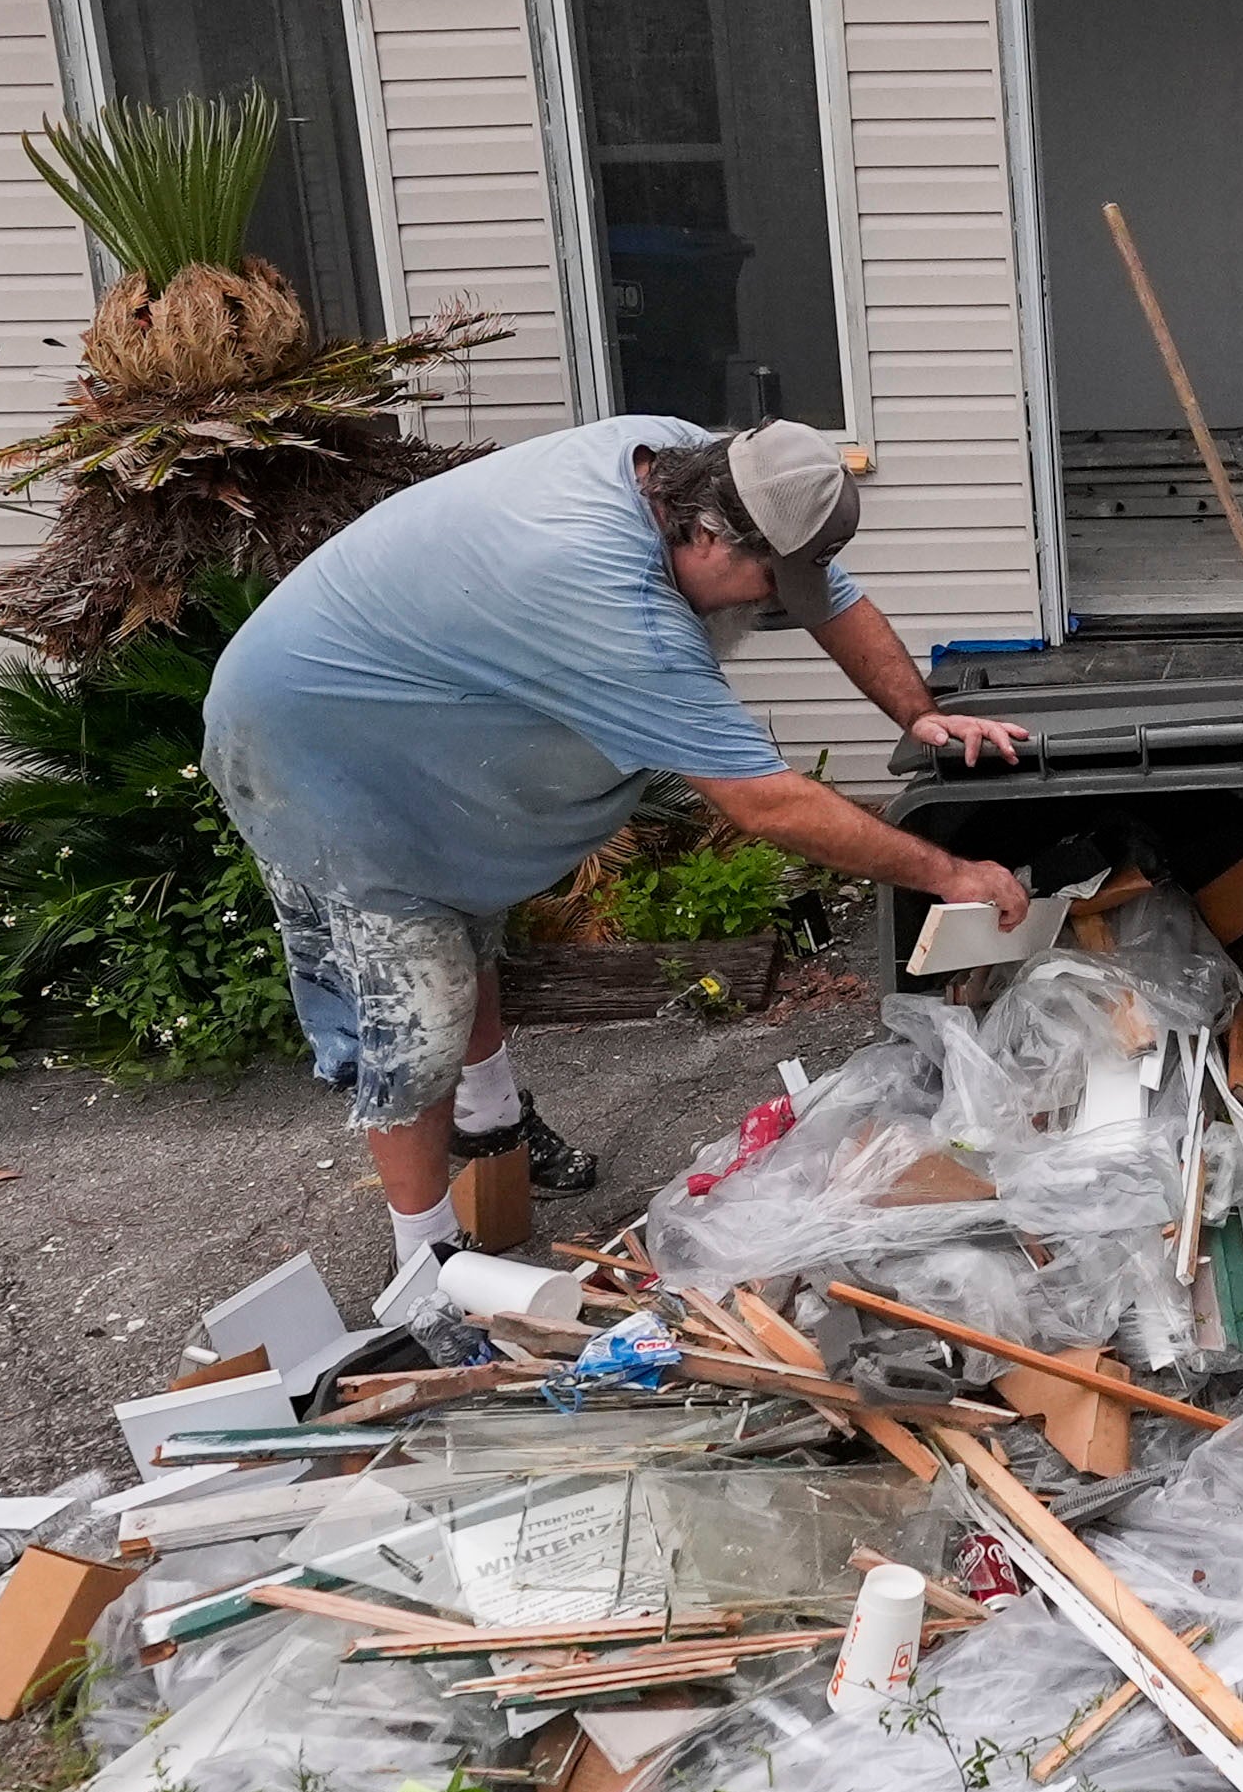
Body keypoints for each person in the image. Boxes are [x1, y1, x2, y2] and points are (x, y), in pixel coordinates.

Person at [200, 413, 1031, 1277]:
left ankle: (492, 1128)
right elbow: (767, 805)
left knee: (466, 905)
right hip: (314, 741)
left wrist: (918, 713)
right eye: (764, 585)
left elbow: (834, 596)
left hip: (410, 711)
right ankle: (426, 1270)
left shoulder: (686, 457)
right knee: (418, 1011)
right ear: (706, 534)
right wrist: (948, 872)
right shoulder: (615, 605)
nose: (770, 603)